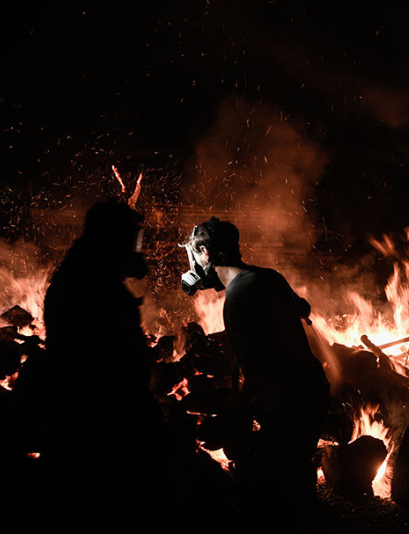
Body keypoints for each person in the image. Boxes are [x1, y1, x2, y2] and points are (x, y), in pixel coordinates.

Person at [21, 199, 172, 528]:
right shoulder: (90, 286)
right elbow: (107, 365)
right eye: (133, 240)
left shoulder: (86, 275)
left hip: (97, 418)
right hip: (98, 424)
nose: (139, 249)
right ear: (112, 239)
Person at [180, 217, 330, 530]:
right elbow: (303, 307)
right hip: (313, 391)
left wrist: (233, 413)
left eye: (194, 255)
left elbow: (261, 372)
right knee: (297, 479)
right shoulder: (266, 277)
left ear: (205, 252)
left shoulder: (238, 298)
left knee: (267, 489)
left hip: (291, 404)